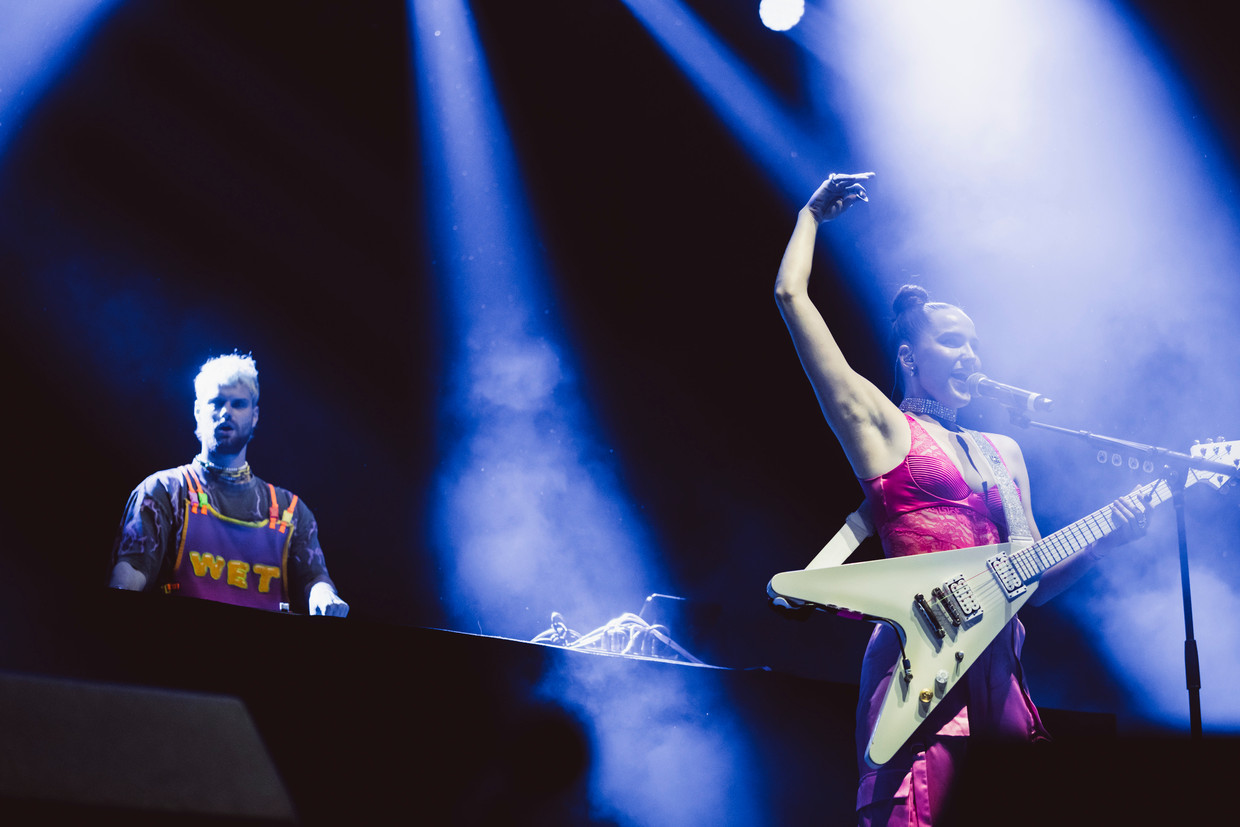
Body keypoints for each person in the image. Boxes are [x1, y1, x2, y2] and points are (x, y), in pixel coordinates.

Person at [773, 173, 1148, 826]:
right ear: (911, 358)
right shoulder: (887, 429)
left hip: (1003, 686)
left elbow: (1028, 578)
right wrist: (810, 216)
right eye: (952, 341)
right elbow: (790, 296)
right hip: (921, 682)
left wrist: (1105, 539)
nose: (971, 353)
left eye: (975, 342)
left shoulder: (1005, 451)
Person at [109, 353, 349, 617]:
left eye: (238, 404)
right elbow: (131, 571)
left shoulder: (289, 511)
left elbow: (315, 580)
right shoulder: (164, 492)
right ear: (198, 410)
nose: (226, 412)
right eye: (216, 402)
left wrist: (324, 595)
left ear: (255, 415)